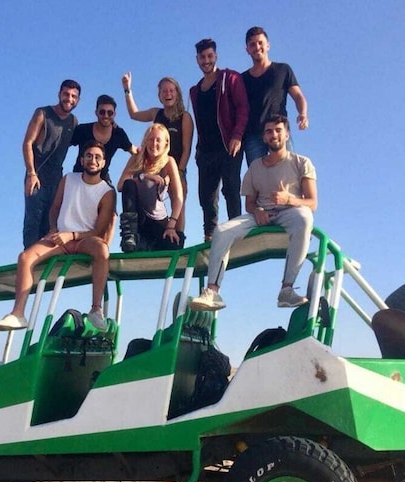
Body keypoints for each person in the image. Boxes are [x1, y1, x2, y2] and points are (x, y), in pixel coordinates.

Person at [190, 115, 317, 311]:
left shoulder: (302, 162)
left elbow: (312, 202)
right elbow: (249, 203)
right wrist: (257, 211)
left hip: (290, 211)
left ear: (286, 134)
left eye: (278, 130)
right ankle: (212, 291)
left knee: (305, 217)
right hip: (261, 214)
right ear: (264, 138)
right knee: (222, 230)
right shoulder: (255, 166)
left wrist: (288, 199)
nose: (273, 134)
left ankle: (286, 290)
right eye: (268, 131)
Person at [0, 141, 115, 332]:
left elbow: (99, 231)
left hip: (85, 239)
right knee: (25, 257)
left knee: (102, 249)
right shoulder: (68, 179)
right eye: (89, 156)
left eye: (97, 157)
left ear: (103, 162)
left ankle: (96, 309)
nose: (93, 160)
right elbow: (55, 208)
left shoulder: (107, 192)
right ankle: (17, 314)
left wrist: (72, 235)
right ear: (82, 160)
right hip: (60, 238)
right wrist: (52, 228)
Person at [189, 38, 249, 242]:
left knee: (231, 187)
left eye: (209, 56)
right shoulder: (195, 91)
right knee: (206, 195)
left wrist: (237, 135)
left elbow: (243, 108)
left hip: (228, 144)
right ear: (197, 60)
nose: (206, 60)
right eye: (202, 57)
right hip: (206, 150)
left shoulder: (230, 78)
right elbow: (199, 121)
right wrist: (198, 149)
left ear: (216, 56)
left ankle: (236, 229)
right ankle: (210, 234)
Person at [121, 73, 193, 233]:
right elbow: (134, 114)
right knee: (148, 199)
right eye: (164, 91)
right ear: (160, 96)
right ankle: (141, 233)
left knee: (178, 199)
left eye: (171, 90)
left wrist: (179, 173)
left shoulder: (185, 117)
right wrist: (127, 90)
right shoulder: (156, 113)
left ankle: (178, 236)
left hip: (176, 166)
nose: (168, 94)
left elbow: (187, 148)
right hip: (154, 165)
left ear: (177, 93)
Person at [21, 79, 81, 249]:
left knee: (52, 222)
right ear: (59, 94)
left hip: (56, 179)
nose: (69, 99)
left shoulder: (73, 122)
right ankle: (30, 260)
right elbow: (27, 143)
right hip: (37, 176)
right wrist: (31, 173)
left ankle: (46, 259)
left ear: (78, 100)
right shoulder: (43, 113)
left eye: (73, 96)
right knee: (34, 221)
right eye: (66, 94)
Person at [242, 26, 308, 166]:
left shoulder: (283, 70)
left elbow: (298, 96)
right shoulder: (242, 79)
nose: (257, 47)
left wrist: (303, 113)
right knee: (258, 177)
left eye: (260, 43)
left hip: (279, 130)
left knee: (287, 173)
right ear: (247, 49)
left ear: (268, 45)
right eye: (252, 44)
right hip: (254, 136)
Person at [116, 123, 185, 253]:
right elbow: (121, 185)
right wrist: (145, 176)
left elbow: (178, 197)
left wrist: (171, 225)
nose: (154, 144)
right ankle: (129, 236)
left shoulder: (168, 162)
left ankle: (148, 245)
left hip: (158, 220)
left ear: (165, 143)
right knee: (129, 184)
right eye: (151, 139)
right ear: (145, 141)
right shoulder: (136, 158)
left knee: (176, 243)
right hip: (139, 218)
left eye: (158, 140)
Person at [69, 94, 137, 185]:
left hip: (102, 180)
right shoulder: (82, 130)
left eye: (110, 113)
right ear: (96, 112)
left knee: (111, 194)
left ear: (114, 114)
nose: (106, 115)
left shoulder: (118, 134)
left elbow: (135, 151)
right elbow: (63, 145)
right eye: (102, 112)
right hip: (78, 179)